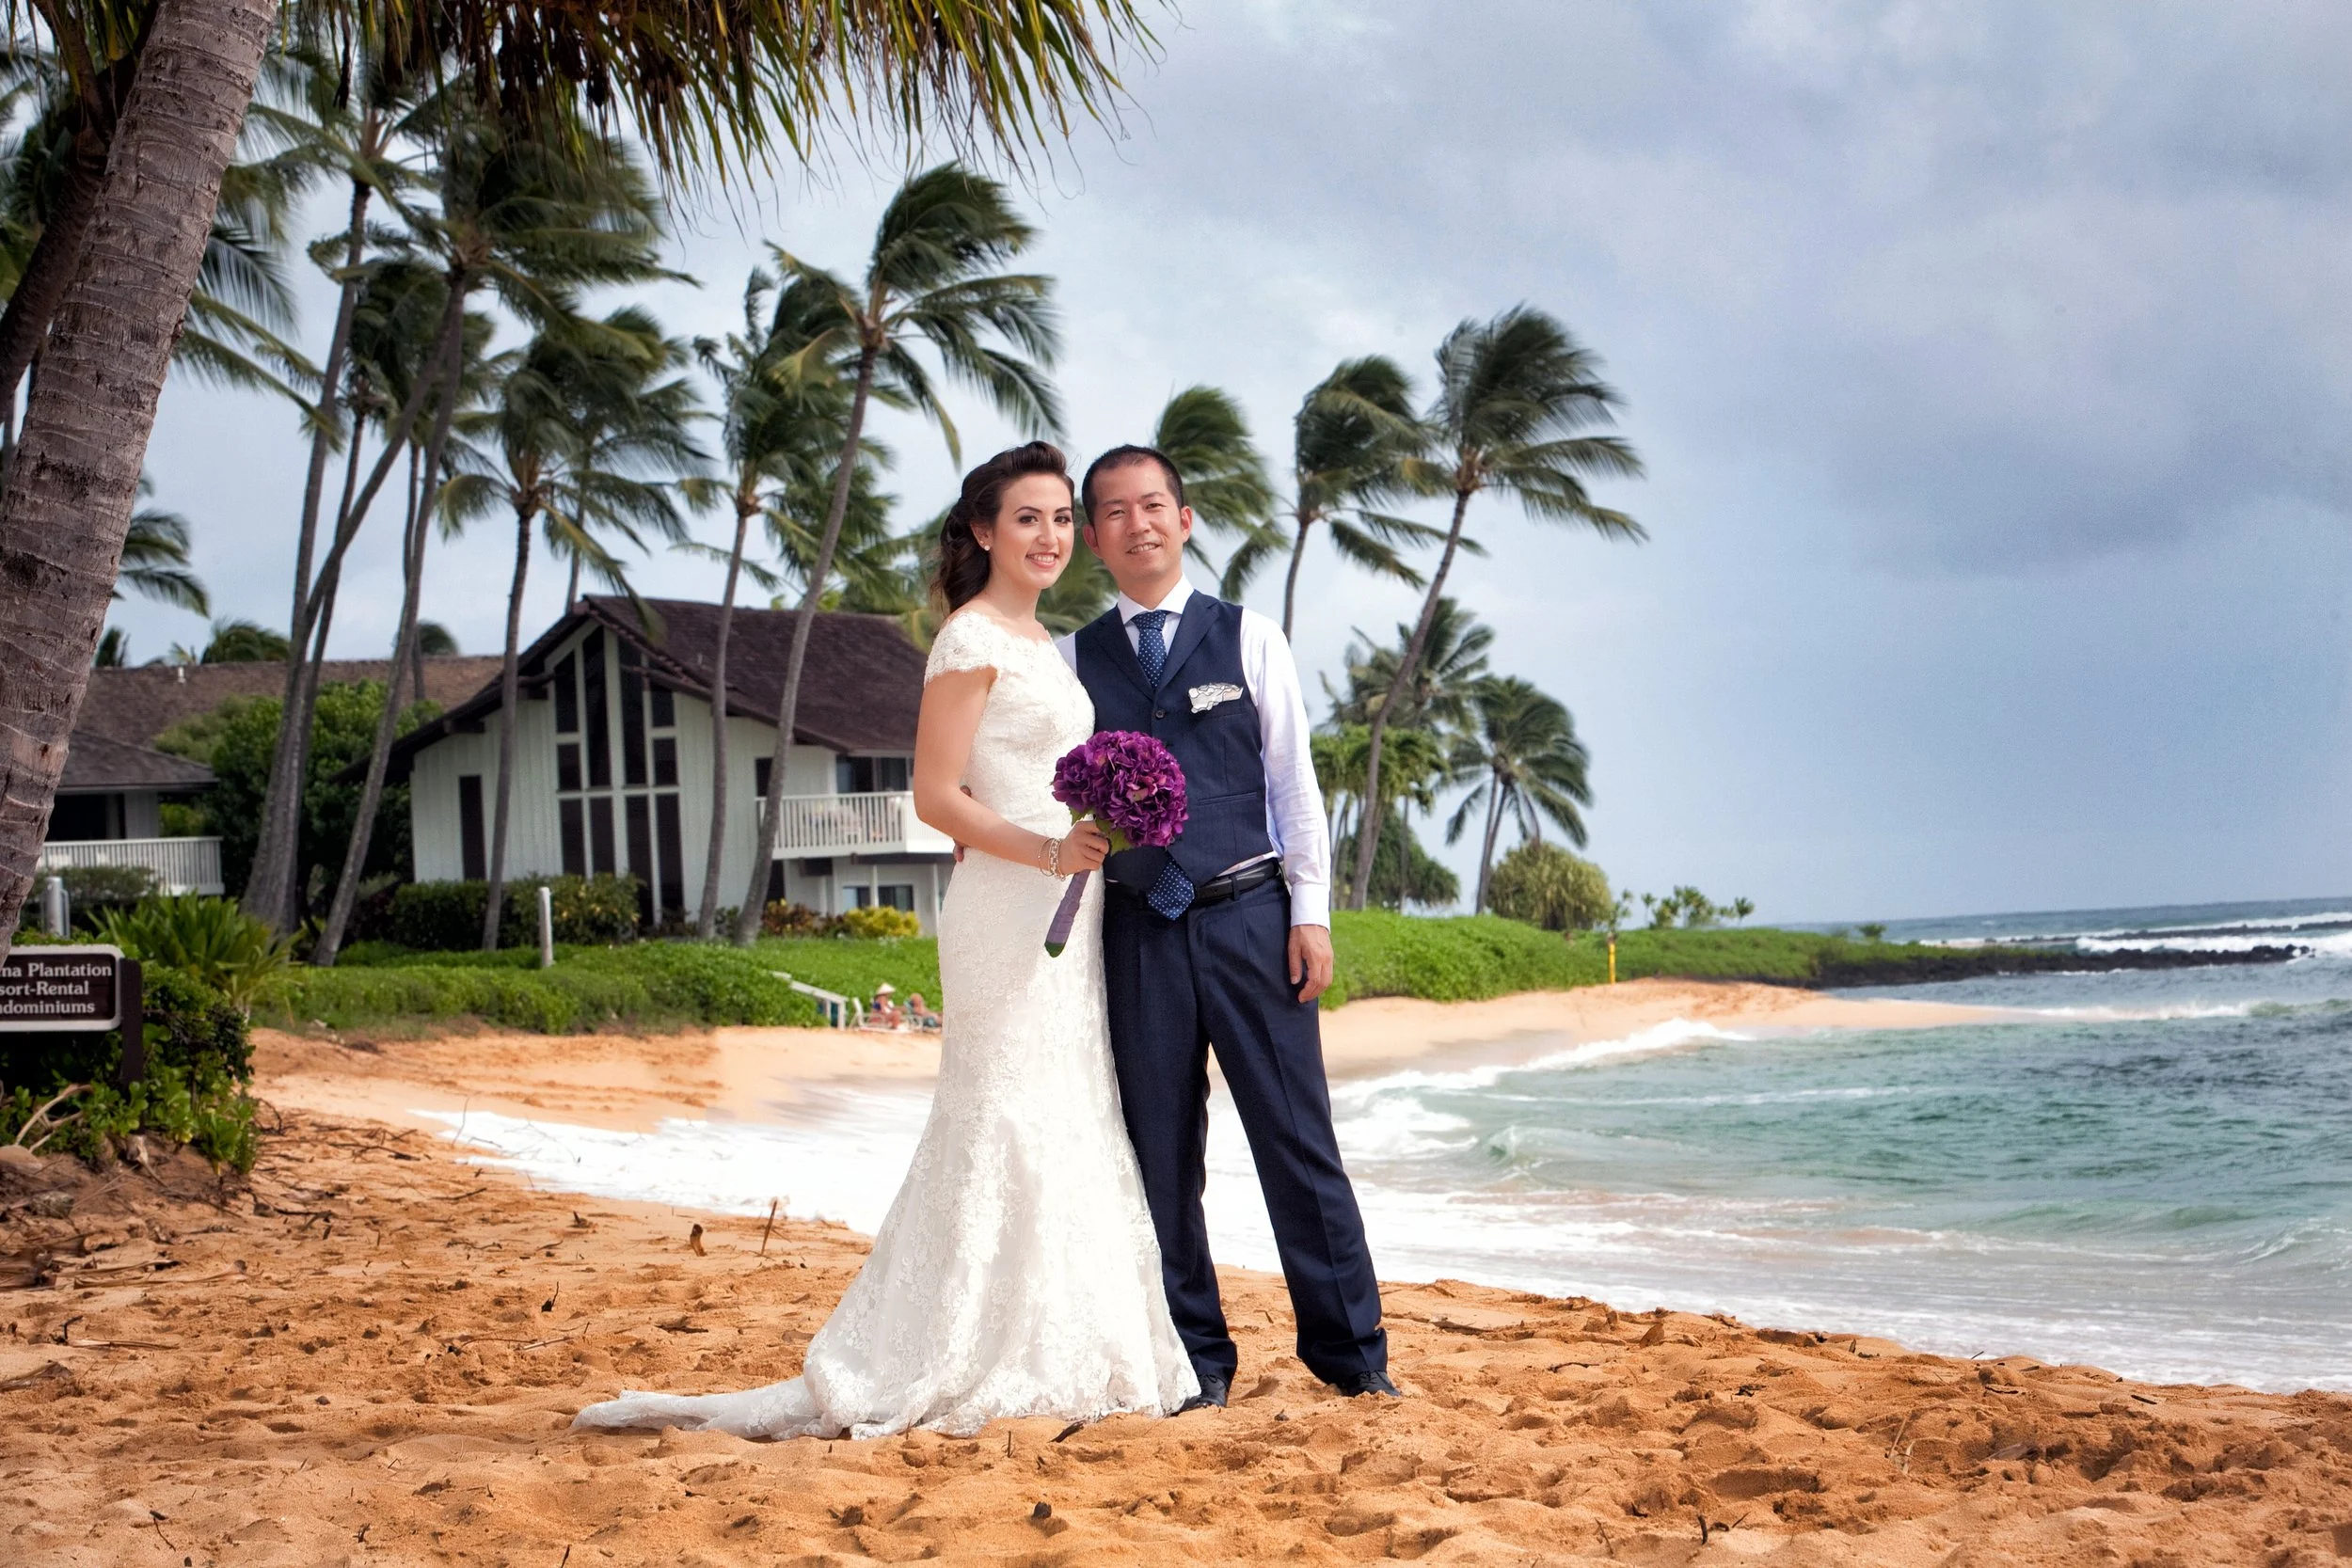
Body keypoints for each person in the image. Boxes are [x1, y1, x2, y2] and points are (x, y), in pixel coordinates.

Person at [573, 444, 1196, 1439]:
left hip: (1066, 909)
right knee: (997, 1108)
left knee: (1070, 1101)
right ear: (984, 530)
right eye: (1026, 518)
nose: (1050, 536)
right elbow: (935, 793)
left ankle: (1063, 1340)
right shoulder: (968, 638)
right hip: (1007, 899)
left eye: (1061, 519)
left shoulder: (1044, 643)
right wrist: (1043, 849)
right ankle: (952, 1343)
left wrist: (1092, 836)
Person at [1059, 445, 1396, 1408]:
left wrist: (1312, 912)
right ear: (1094, 537)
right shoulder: (1069, 660)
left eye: (1153, 504)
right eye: (1115, 512)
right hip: (1135, 936)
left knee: (1297, 1137)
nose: (1138, 524)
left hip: (1253, 918)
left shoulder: (1249, 637)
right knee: (1158, 1149)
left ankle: (1350, 1352)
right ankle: (1194, 1360)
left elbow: (1293, 781)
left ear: (1186, 516)